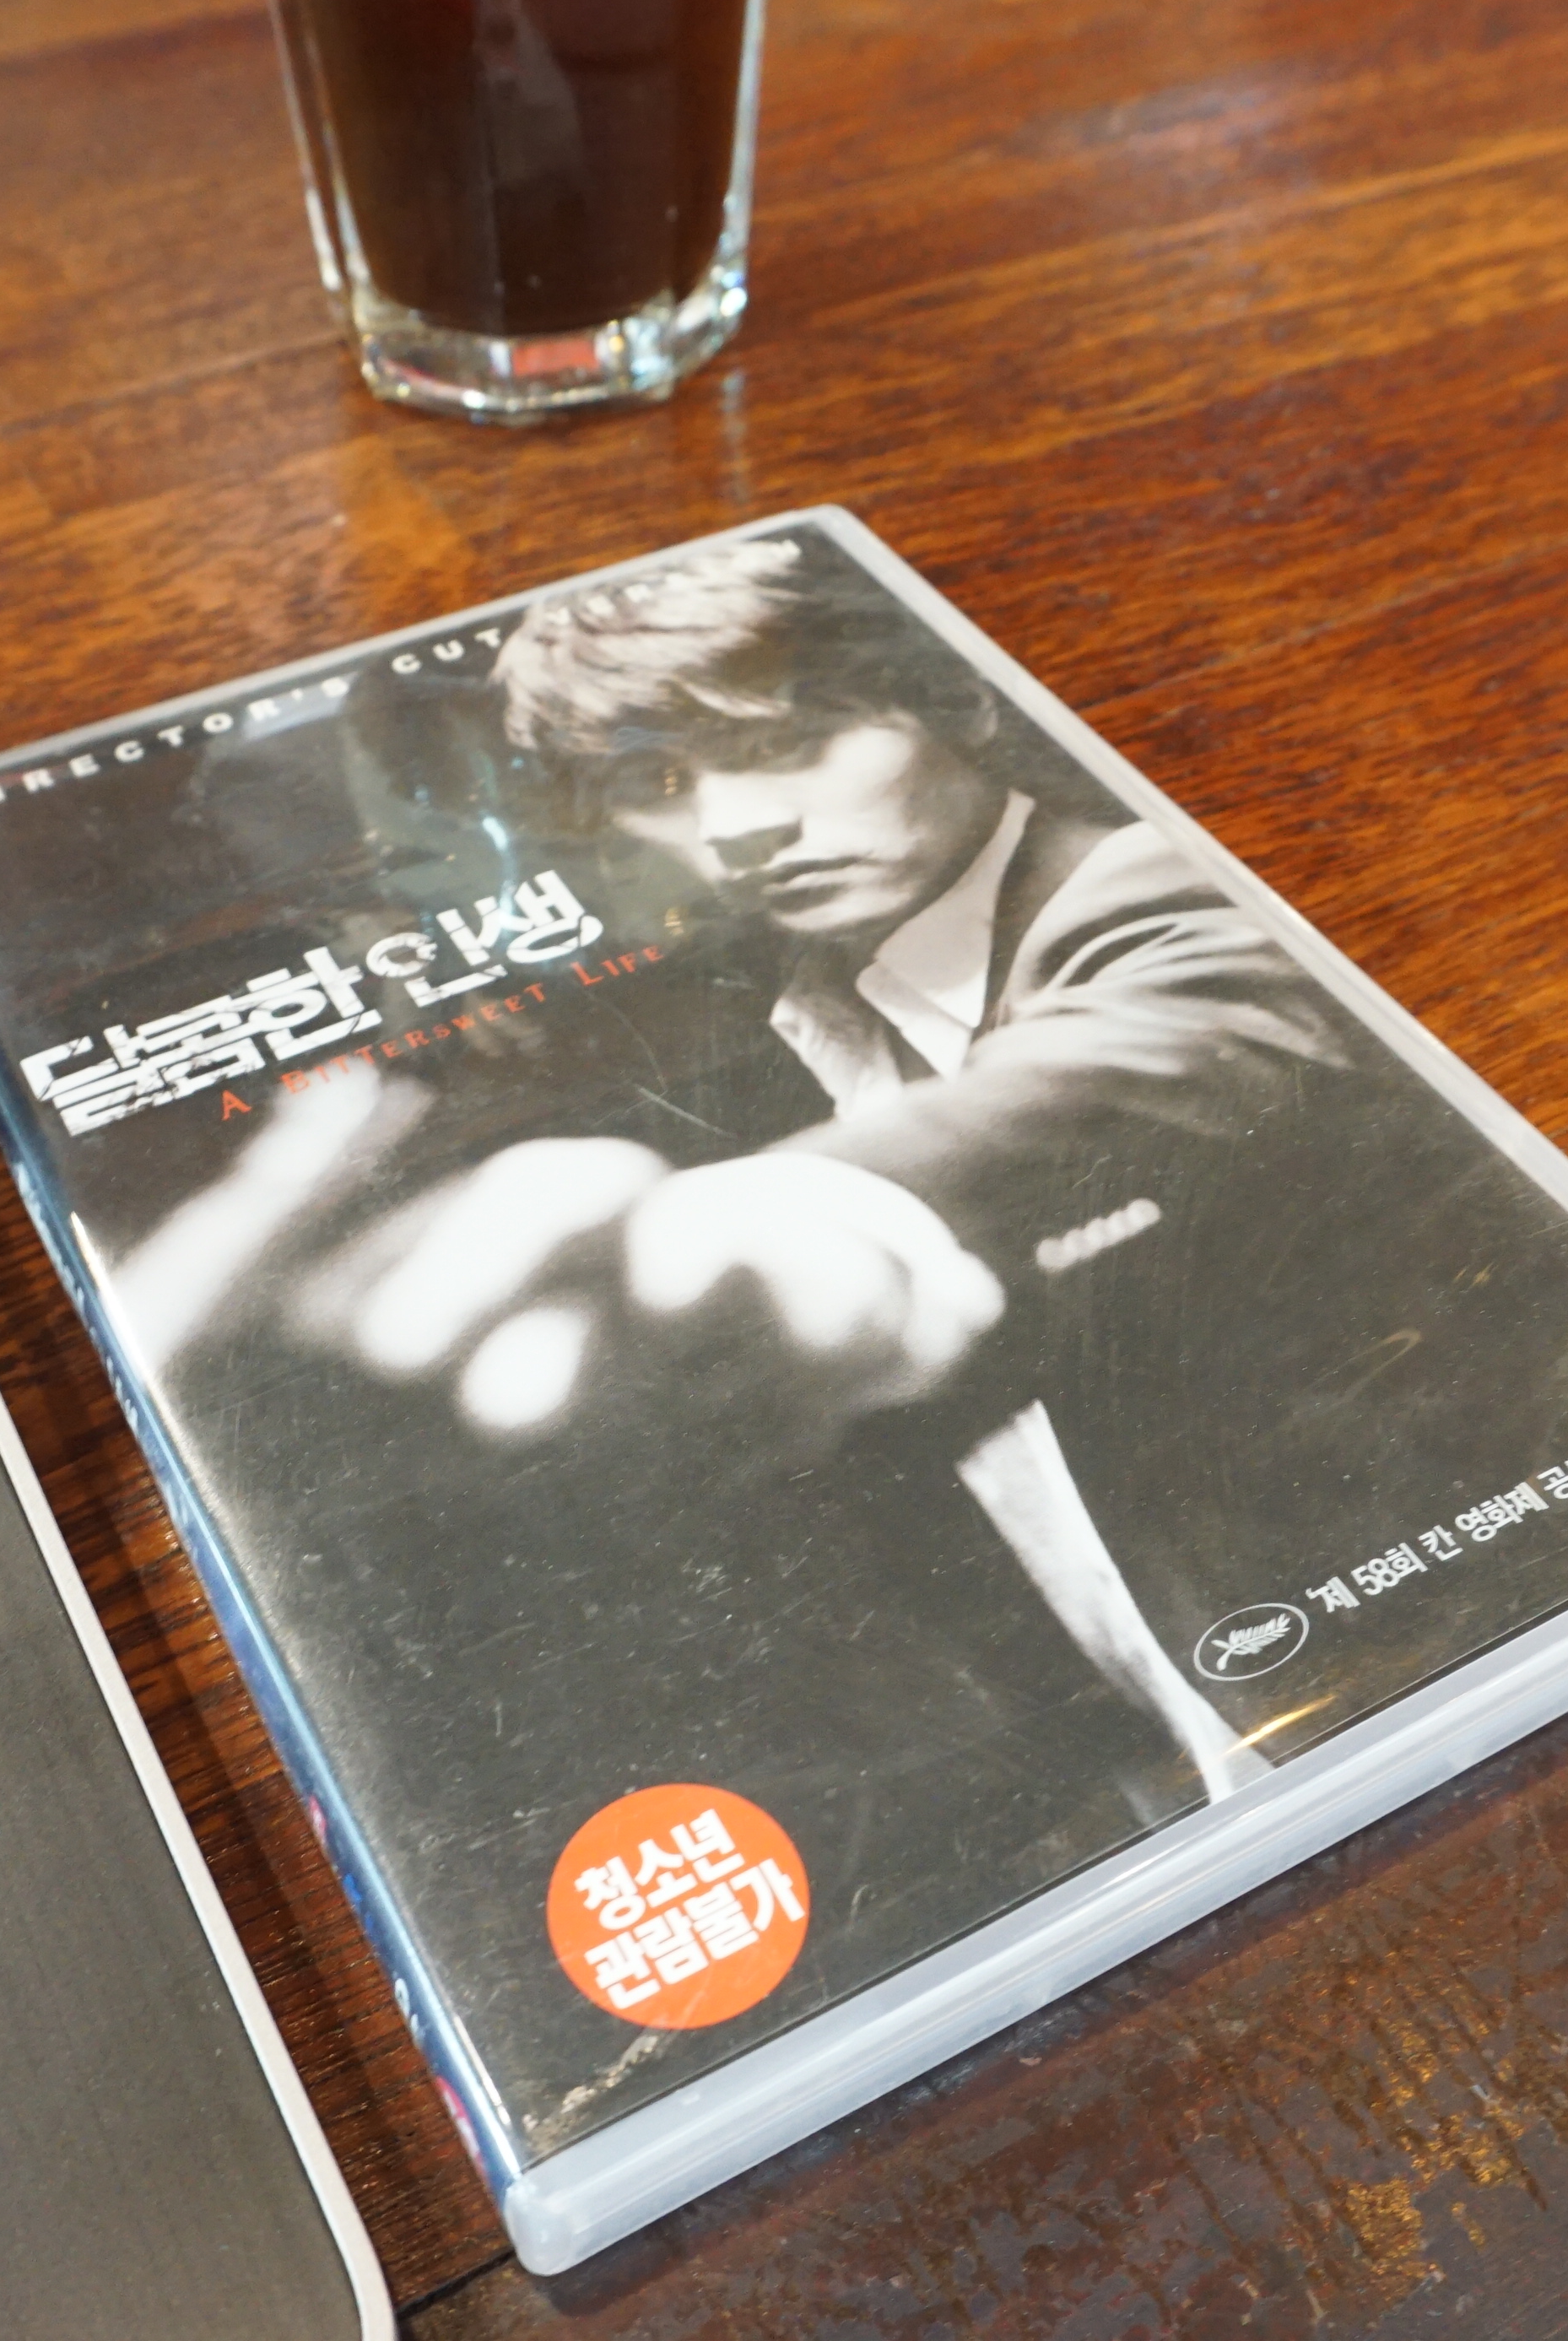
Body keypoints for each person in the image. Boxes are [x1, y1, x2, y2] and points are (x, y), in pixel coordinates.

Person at [282, 535, 1376, 1798]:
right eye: (658, 782)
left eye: (787, 741)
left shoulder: (1158, 883)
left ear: (951, 701)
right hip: (1169, 1729)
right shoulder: (797, 990)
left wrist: (789, 1238)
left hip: (1385, 1680)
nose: (738, 831)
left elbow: (1167, 1040)